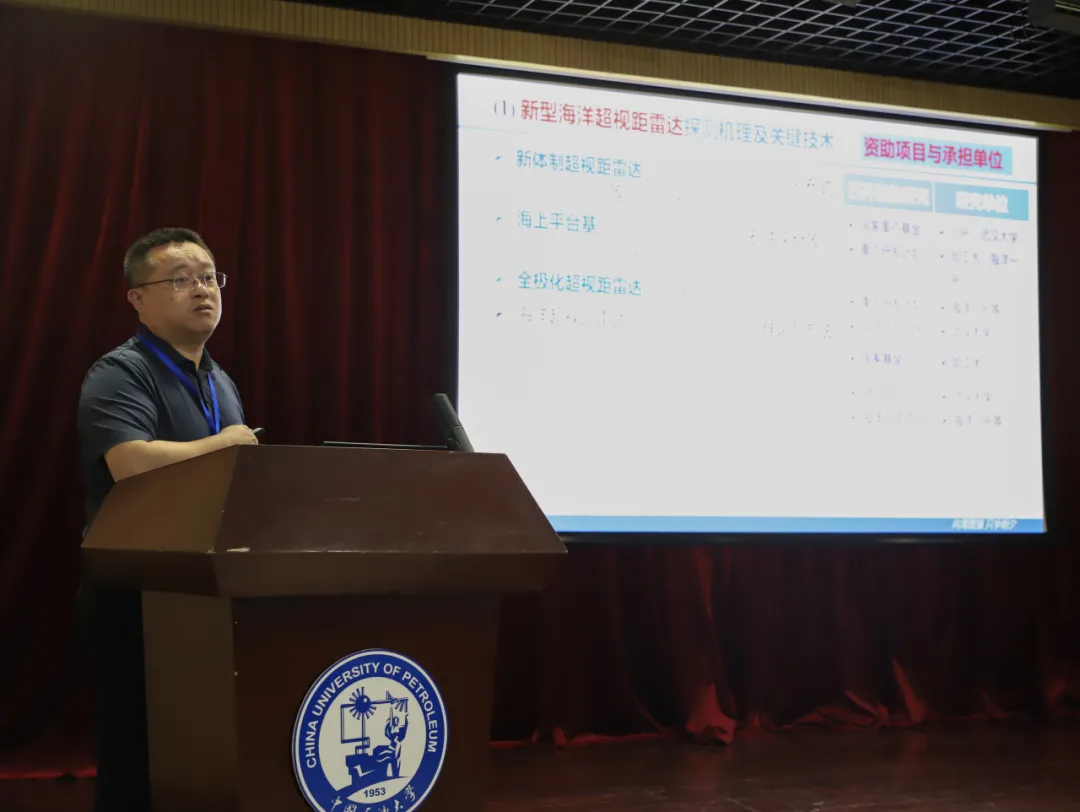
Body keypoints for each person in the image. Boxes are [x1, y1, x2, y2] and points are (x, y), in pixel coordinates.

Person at [76, 228, 259, 811]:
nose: (202, 290)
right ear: (137, 298)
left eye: (209, 277)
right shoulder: (120, 372)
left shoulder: (219, 380)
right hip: (136, 591)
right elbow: (129, 463)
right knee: (139, 754)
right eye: (181, 280)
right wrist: (224, 445)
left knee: (201, 753)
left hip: (204, 592)